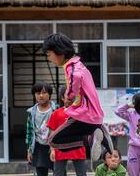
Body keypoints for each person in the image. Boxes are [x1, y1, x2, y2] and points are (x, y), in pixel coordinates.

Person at [43, 33, 113, 164]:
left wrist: (69, 96)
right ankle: (96, 133)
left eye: (49, 54)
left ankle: (92, 137)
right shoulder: (79, 64)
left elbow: (76, 77)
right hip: (93, 117)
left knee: (53, 140)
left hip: (84, 115)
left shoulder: (72, 67)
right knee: (60, 140)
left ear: (59, 51)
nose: (49, 58)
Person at [41, 86, 92, 176]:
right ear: (62, 97)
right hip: (60, 149)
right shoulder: (56, 113)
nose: (69, 99)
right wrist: (52, 149)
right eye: (67, 96)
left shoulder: (82, 113)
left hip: (78, 148)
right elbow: (52, 134)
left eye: (72, 96)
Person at [25, 82, 74, 176]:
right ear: (34, 95)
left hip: (55, 146)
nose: (41, 95)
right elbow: (30, 131)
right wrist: (29, 149)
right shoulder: (31, 112)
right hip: (39, 146)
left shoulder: (57, 109)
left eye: (44, 92)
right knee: (41, 175)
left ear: (50, 95)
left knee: (61, 175)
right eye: (38, 93)